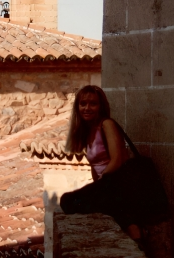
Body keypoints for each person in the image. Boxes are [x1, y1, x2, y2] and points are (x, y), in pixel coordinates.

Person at [60, 85, 141, 240]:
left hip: (115, 183)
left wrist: (100, 184)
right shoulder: (88, 131)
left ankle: (135, 232)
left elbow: (117, 160)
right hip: (105, 186)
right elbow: (94, 166)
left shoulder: (107, 124)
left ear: (101, 106)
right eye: (83, 104)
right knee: (69, 202)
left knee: (68, 201)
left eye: (93, 104)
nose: (87, 108)